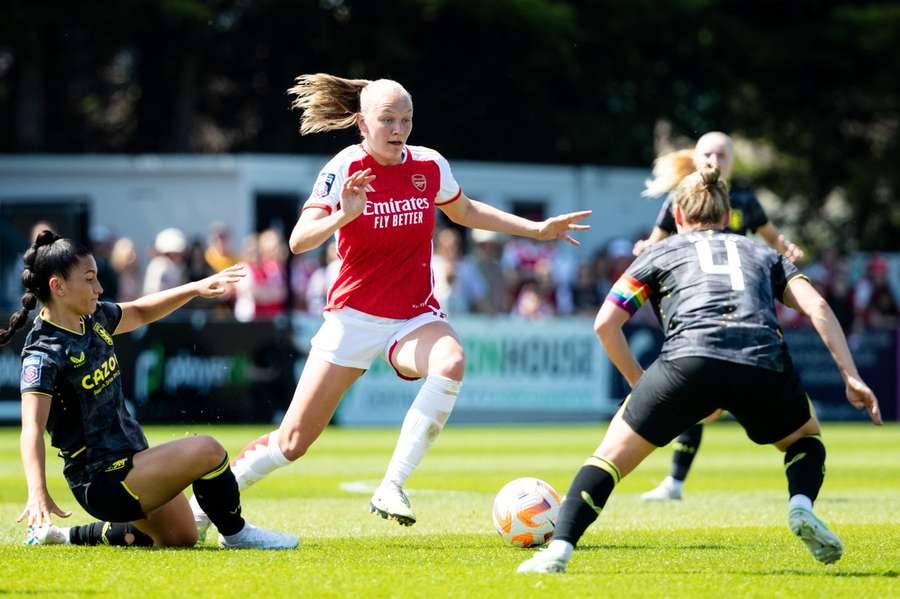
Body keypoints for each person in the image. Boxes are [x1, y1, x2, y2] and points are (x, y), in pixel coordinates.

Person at [191, 73, 590, 533]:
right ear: (362, 123)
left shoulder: (430, 165)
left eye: (406, 119)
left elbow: (465, 211)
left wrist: (536, 230)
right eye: (387, 120)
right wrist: (344, 214)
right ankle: (203, 512)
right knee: (293, 442)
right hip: (353, 317)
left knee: (452, 361)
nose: (398, 129)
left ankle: (392, 485)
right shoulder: (344, 166)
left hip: (414, 315)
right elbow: (299, 241)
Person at [516, 164, 881, 574]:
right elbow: (816, 306)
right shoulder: (763, 252)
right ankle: (800, 505)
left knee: (609, 459)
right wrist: (851, 375)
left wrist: (639, 383)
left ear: (677, 218)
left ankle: (558, 552)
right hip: (761, 360)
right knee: (806, 439)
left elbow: (605, 324)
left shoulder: (660, 252)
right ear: (728, 217)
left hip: (688, 360)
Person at [5, 230, 297, 550]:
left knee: (180, 538)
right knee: (208, 450)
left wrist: (196, 289)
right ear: (57, 286)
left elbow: (141, 311)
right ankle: (236, 534)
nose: (99, 288)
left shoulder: (94, 317)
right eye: (89, 279)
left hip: (133, 461)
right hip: (103, 481)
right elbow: (31, 428)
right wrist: (37, 491)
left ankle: (64, 536)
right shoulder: (43, 353)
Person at [634, 131, 806, 502]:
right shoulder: (680, 199)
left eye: (721, 154)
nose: (714, 159)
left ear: (731, 161)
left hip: (745, 308)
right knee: (696, 393)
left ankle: (796, 467)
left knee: (707, 389)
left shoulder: (744, 200)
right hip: (699, 305)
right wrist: (645, 249)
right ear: (696, 159)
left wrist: (787, 248)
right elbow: (657, 242)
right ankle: (676, 482)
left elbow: (772, 236)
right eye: (707, 153)